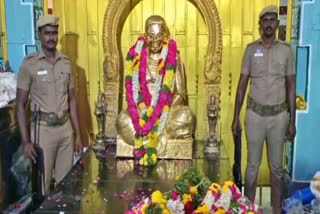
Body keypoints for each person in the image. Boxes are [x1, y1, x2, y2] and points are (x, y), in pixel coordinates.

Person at [232, 5, 296, 214]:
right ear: (260, 25)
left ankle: (277, 210)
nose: (269, 23)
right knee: (252, 168)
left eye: (272, 20)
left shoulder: (286, 51)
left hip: (278, 117)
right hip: (255, 116)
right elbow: (242, 86)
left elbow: (291, 87)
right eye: (265, 20)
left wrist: (292, 121)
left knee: (277, 170)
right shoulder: (251, 50)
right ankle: (248, 209)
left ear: (277, 24)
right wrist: (235, 117)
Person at [16, 15, 83, 194]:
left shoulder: (66, 63)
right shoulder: (29, 64)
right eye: (47, 33)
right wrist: (25, 142)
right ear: (39, 35)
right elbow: (20, 105)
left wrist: (77, 134)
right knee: (42, 188)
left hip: (65, 131)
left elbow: (73, 99)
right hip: (43, 132)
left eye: (54, 33)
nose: (51, 37)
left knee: (66, 186)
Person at [116, 15, 194, 166]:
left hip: (166, 112)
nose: (154, 41)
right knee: (121, 120)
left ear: (165, 36)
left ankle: (146, 139)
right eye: (151, 36)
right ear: (145, 36)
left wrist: (161, 112)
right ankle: (153, 138)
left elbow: (180, 94)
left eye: (159, 36)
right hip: (142, 114)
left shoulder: (174, 59)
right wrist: (144, 114)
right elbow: (132, 93)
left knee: (187, 116)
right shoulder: (136, 58)